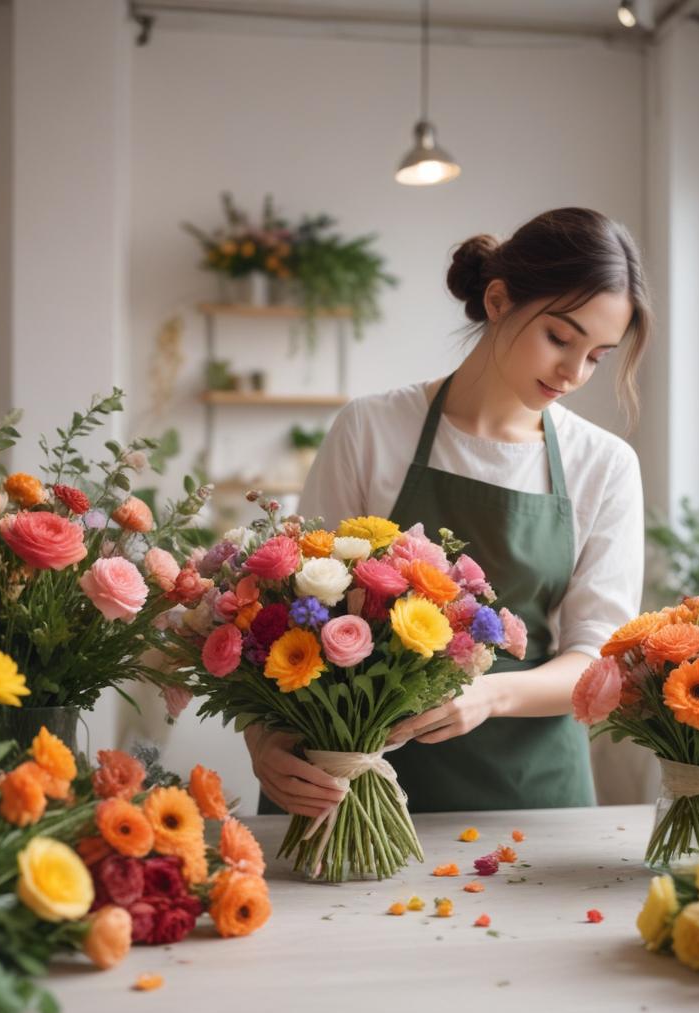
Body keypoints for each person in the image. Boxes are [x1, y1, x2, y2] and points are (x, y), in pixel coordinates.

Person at [245, 206, 651, 817]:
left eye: (597, 355)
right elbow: (290, 609)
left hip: (529, 795)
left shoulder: (605, 464)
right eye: (560, 338)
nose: (573, 372)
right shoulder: (373, 427)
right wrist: (263, 739)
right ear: (497, 301)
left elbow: (596, 659)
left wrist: (488, 695)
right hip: (350, 781)